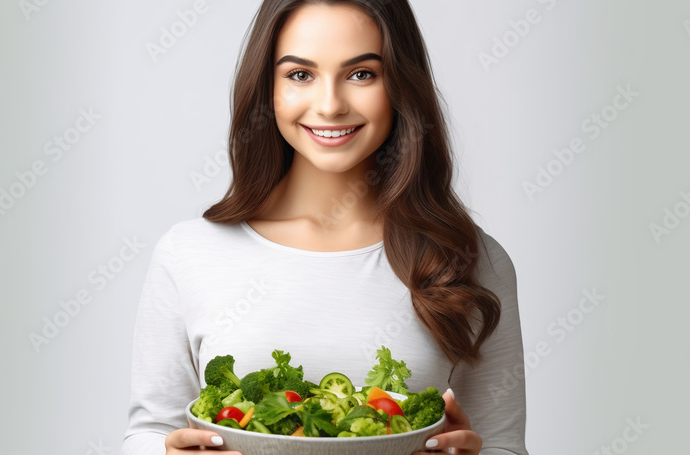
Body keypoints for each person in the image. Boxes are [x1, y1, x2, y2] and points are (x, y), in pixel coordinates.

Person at [122, 1, 528, 454]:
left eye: (361, 74)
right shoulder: (189, 253)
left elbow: (502, 445)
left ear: (399, 84)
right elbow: (150, 432)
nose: (331, 105)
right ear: (267, 89)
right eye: (300, 75)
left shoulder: (469, 260)